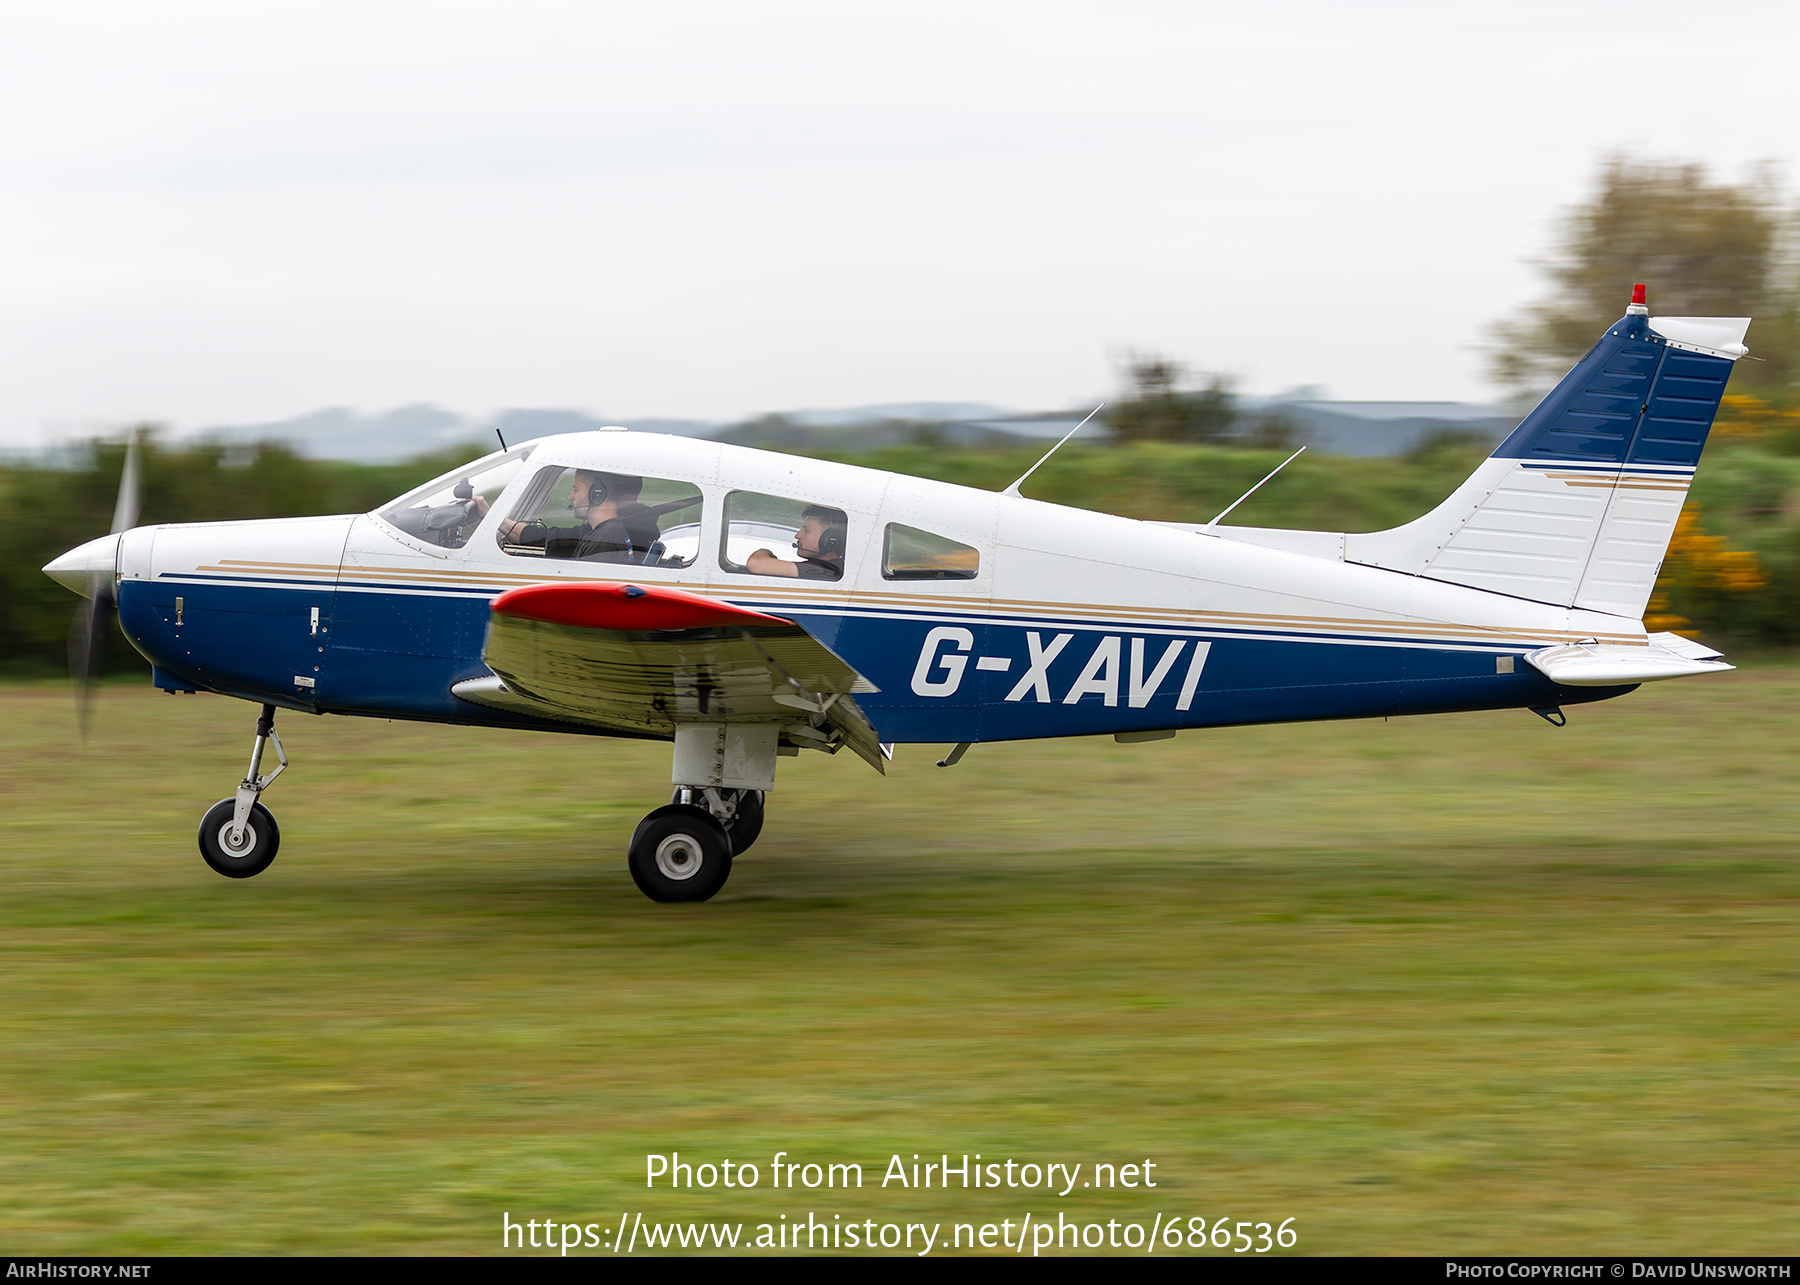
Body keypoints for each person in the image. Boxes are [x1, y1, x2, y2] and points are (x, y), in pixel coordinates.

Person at [498, 470, 663, 562]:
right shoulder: (608, 532)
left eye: (576, 489)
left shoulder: (604, 539)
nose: (571, 496)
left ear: (596, 495)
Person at [746, 505, 846, 580]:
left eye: (806, 531)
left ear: (830, 540)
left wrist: (764, 551)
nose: (797, 535)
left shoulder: (827, 571)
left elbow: (755, 564)